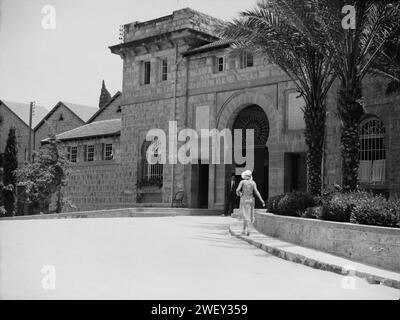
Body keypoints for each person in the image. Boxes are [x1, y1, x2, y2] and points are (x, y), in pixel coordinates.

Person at [236, 170, 265, 236]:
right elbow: (257, 192)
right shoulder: (253, 183)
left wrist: (239, 194)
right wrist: (261, 200)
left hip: (244, 199)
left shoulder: (242, 182)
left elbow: (237, 190)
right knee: (248, 215)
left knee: (245, 215)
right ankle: (243, 230)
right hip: (251, 199)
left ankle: (248, 229)